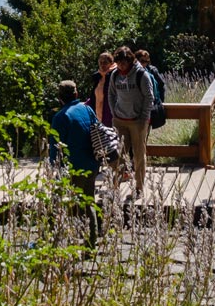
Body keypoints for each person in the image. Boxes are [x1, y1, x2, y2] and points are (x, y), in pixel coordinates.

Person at [49, 80, 100, 243]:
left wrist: (53, 167)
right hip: (92, 163)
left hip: (73, 167)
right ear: (76, 94)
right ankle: (92, 239)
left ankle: (69, 239)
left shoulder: (60, 117)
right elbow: (97, 130)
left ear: (59, 97)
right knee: (88, 201)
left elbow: (55, 147)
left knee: (70, 204)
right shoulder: (87, 109)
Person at [108, 45, 155, 193]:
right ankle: (115, 186)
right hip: (120, 119)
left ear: (130, 61)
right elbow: (111, 94)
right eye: (119, 62)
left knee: (139, 155)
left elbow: (149, 97)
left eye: (124, 62)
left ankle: (139, 187)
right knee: (119, 153)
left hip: (138, 121)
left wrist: (143, 117)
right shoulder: (115, 75)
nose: (121, 65)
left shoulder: (141, 75)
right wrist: (114, 112)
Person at [86, 52, 117, 126]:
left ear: (111, 63)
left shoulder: (115, 76)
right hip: (98, 114)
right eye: (100, 62)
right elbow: (94, 96)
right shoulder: (98, 77)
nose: (102, 65)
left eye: (105, 62)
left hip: (111, 116)